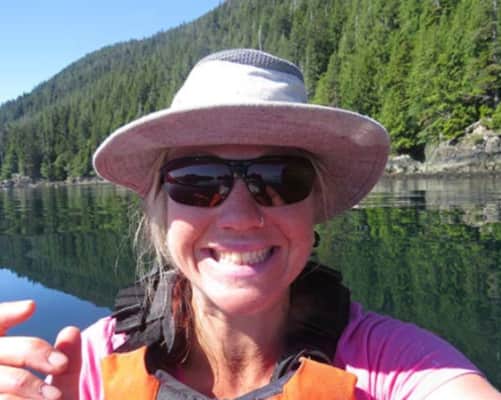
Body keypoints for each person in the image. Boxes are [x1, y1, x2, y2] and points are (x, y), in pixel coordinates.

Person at [0, 49, 499, 400]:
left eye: (281, 179)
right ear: (160, 208)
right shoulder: (81, 369)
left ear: (315, 204)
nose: (240, 217)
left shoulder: (400, 368)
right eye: (198, 181)